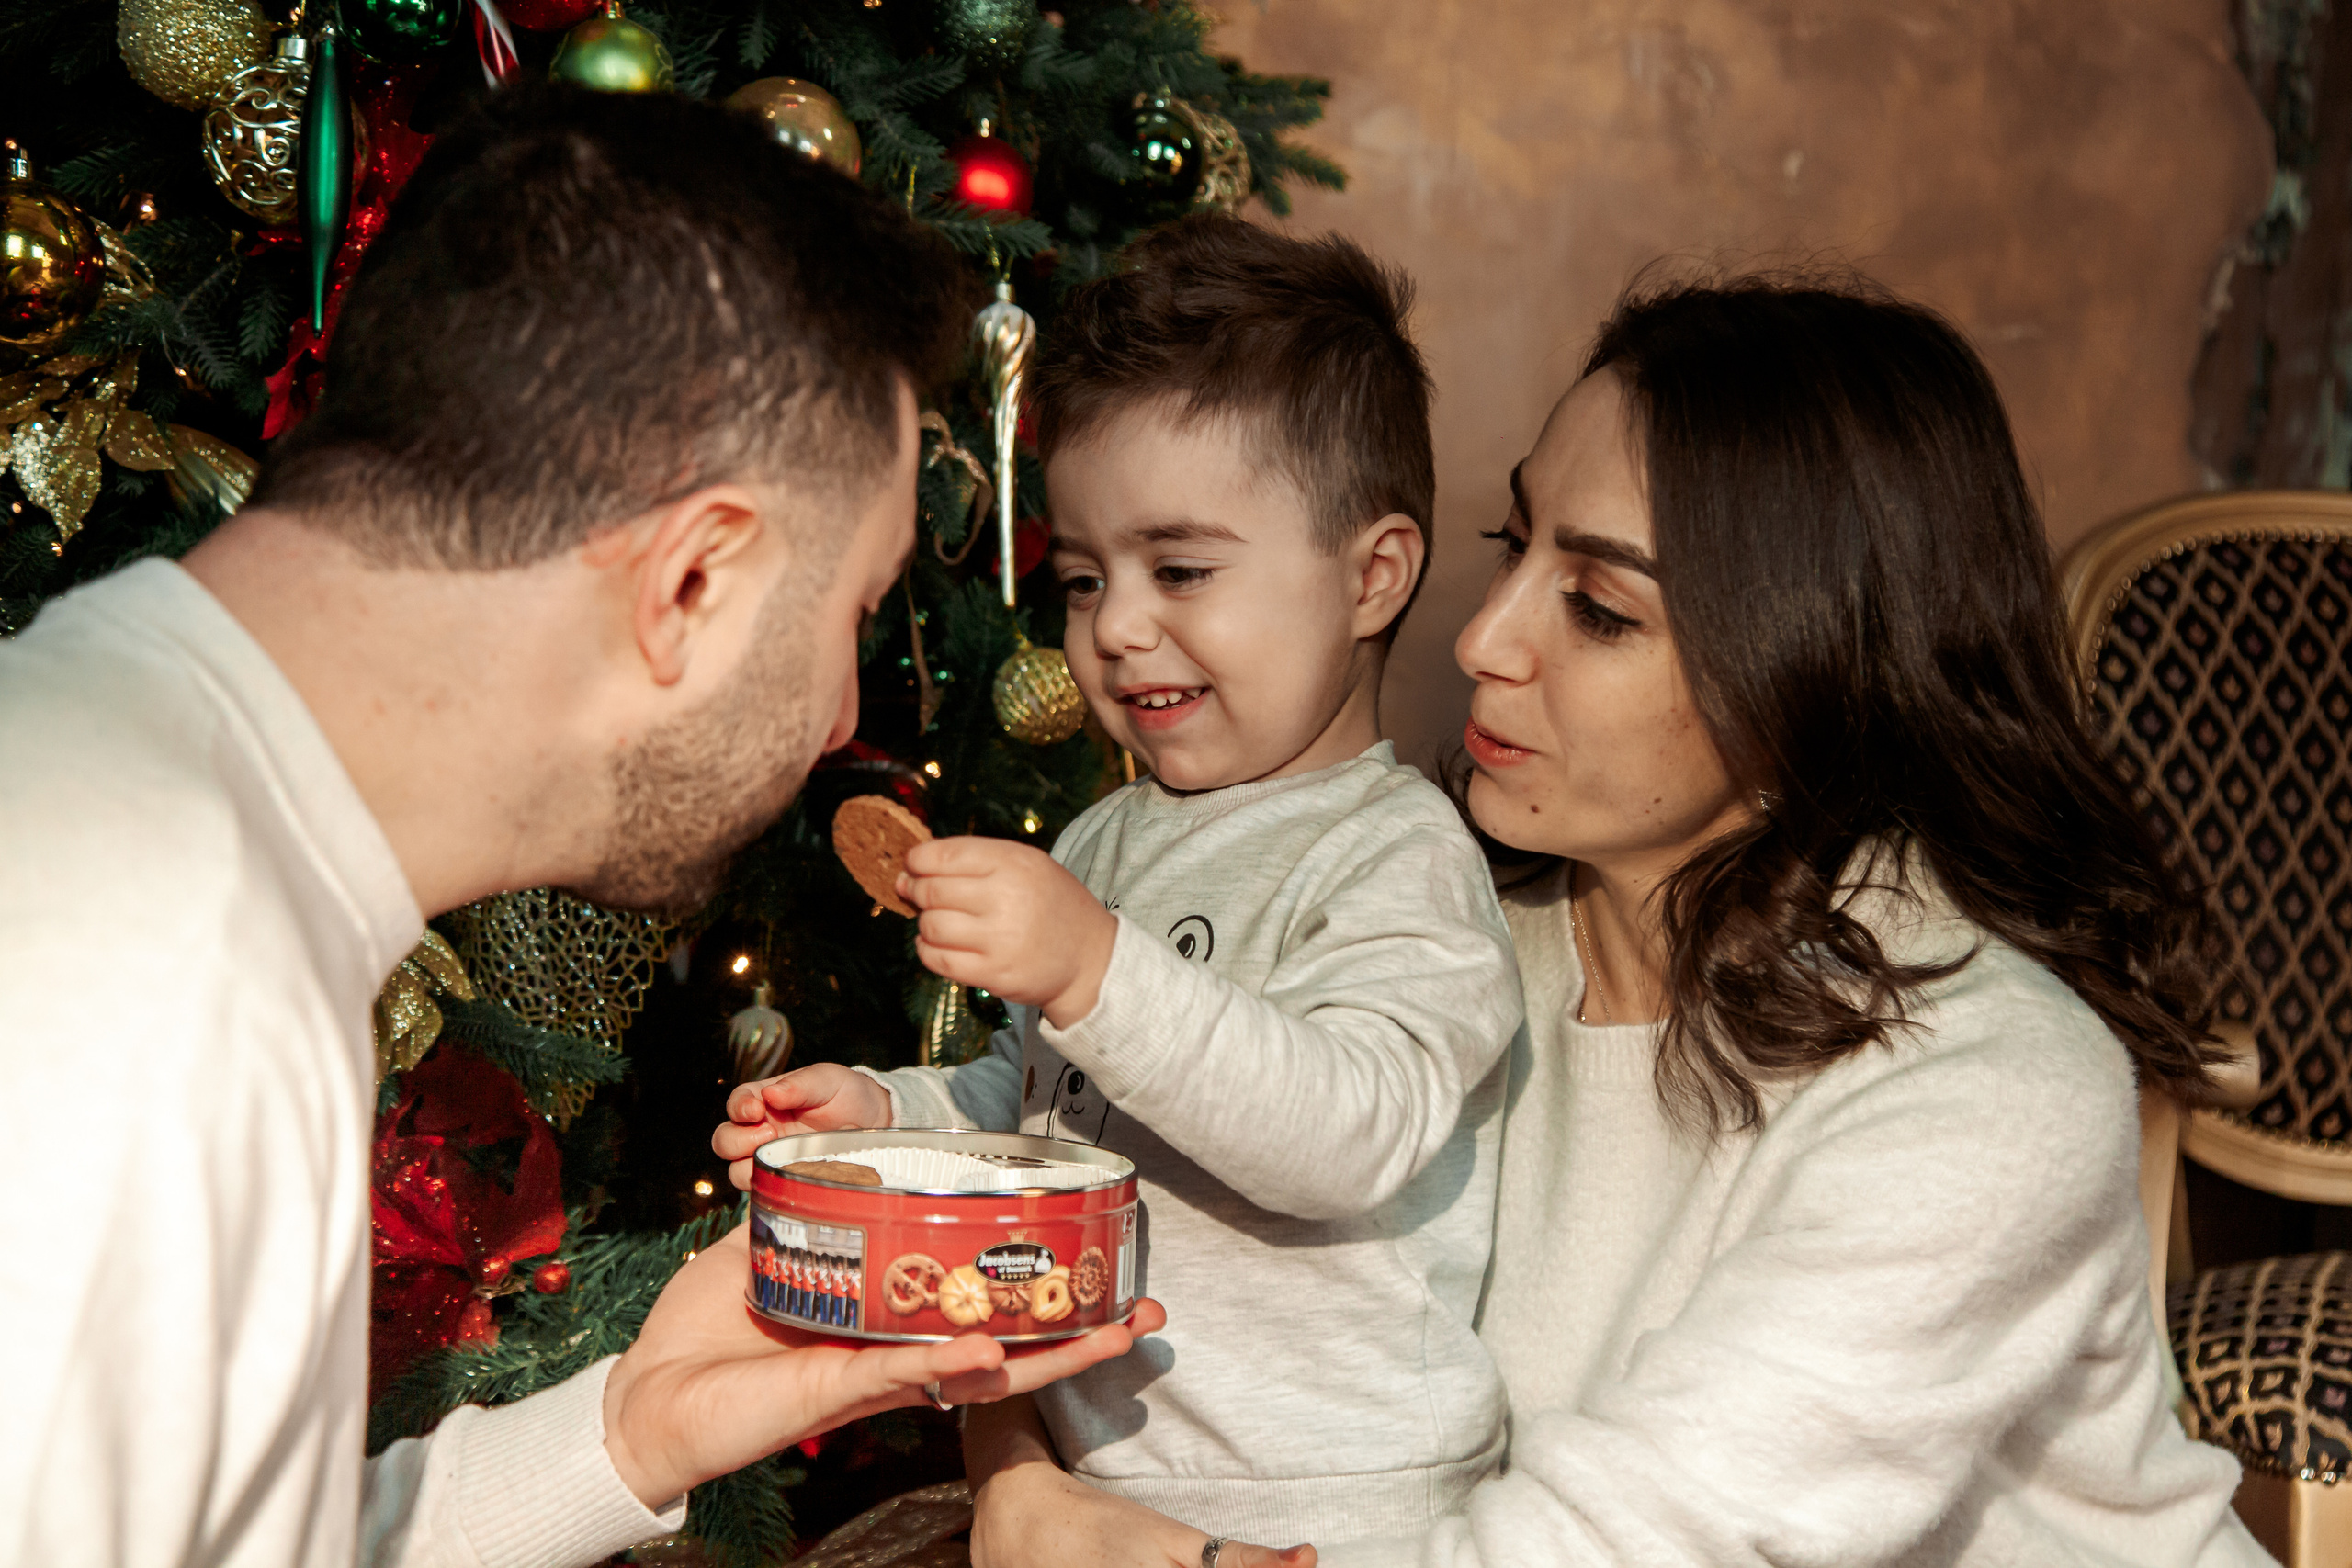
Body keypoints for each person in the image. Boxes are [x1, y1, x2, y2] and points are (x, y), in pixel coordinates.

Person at [0, 84, 1161, 1566]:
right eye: (852, 618)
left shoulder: (164, 834)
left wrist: (624, 1435)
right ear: (691, 582)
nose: (834, 722)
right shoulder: (139, 971)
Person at [953, 273, 2276, 1566]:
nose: (1482, 642)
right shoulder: (1435, 949)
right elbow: (1064, 1160)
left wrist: (1158, 1554)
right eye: (1511, 546)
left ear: (1812, 663)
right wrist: (1014, 1478)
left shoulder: (1990, 1092)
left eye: (1598, 607)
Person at [717, 216, 1523, 1555]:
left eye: (1183, 569)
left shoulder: (1399, 854)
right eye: (1086, 577)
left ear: (1372, 575)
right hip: (1096, 1497)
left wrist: (1100, 969)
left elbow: (1349, 1136)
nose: (1117, 627)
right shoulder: (1108, 841)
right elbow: (1035, 1103)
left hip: (1339, 1512)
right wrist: (887, 1113)